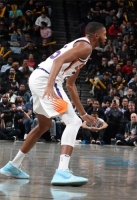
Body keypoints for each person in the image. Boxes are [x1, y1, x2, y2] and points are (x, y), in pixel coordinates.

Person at [0, 22, 107, 186]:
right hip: (45, 81)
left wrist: (83, 113)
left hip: (38, 79)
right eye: (105, 34)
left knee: (44, 125)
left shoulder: (81, 51)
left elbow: (71, 85)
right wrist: (50, 86)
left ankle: (13, 165)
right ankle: (62, 172)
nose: (106, 38)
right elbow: (58, 61)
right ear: (96, 35)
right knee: (73, 122)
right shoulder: (85, 47)